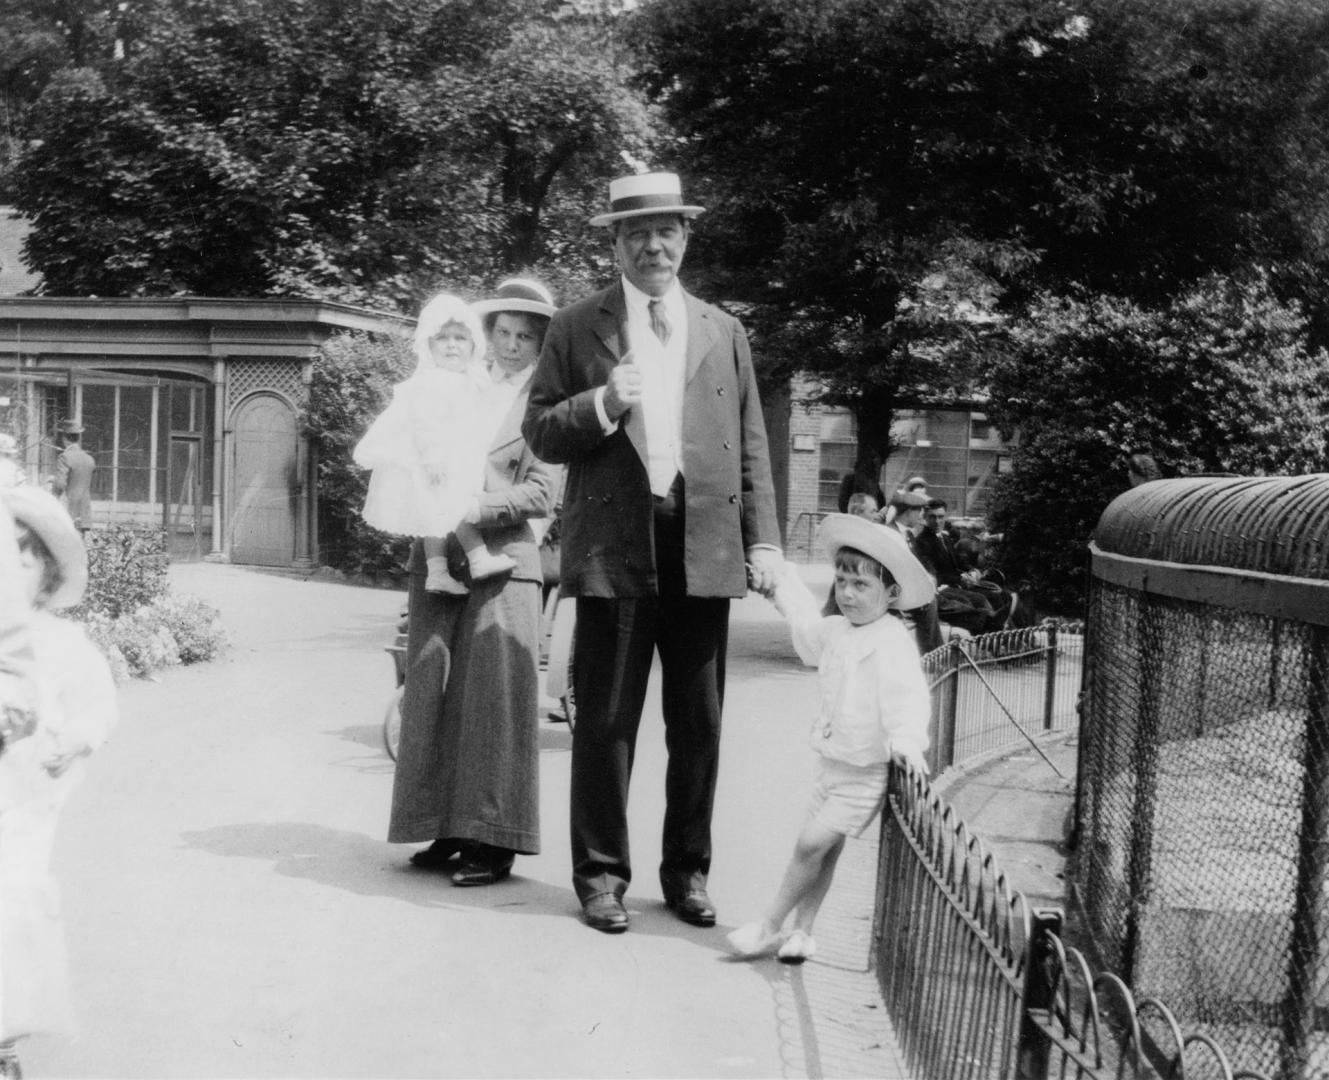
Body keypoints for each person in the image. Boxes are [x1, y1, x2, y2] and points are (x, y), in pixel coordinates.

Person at [523, 171, 782, 934]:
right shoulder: (576, 327)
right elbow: (539, 431)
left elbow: (753, 446)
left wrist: (761, 538)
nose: (653, 244)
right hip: (613, 544)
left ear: (685, 237)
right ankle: (600, 877)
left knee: (696, 723)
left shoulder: (721, 329)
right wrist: (604, 402)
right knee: (604, 720)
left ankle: (687, 872)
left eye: (666, 229)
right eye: (636, 232)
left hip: (702, 543)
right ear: (614, 242)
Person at [387, 280, 559, 887]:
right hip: (439, 552)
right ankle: (444, 823)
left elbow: (541, 491)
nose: (511, 347)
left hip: (507, 557)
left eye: (525, 337)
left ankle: (495, 837)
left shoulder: (545, 402)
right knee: (431, 687)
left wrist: (474, 503)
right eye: (504, 334)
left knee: (493, 698)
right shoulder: (458, 385)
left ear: (541, 344)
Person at [726, 514, 932, 962]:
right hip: (832, 762)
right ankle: (804, 931)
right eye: (842, 583)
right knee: (824, 851)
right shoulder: (838, 630)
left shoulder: (892, 640)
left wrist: (906, 741)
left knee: (809, 845)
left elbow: (907, 698)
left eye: (862, 586)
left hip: (865, 770)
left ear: (892, 594)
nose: (848, 594)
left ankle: (768, 926)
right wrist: (782, 585)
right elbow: (805, 627)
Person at [0, 487, 117, 1076]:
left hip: (23, 802)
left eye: (21, 560)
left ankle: (3, 1037)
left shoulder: (58, 643)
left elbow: (96, 702)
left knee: (10, 905)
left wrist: (79, 737)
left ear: (45, 573)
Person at [353, 293, 516, 594]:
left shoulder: (472, 378)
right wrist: (432, 456)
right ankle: (477, 557)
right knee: (453, 508)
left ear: (474, 345)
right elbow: (423, 421)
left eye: (460, 338)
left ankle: (437, 572)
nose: (452, 345)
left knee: (435, 517)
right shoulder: (432, 380)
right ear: (429, 345)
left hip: (459, 457)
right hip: (438, 461)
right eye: (442, 338)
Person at [912, 498, 1016, 634]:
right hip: (944, 588)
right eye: (933, 517)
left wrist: (972, 570)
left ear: (945, 516)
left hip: (958, 584)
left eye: (940, 517)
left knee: (1001, 595)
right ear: (925, 517)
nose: (937, 521)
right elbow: (933, 575)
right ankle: (993, 636)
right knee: (981, 599)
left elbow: (958, 561)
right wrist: (960, 579)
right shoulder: (922, 542)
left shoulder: (944, 538)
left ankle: (1015, 634)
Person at [50, 420, 94, 532]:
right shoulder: (89, 459)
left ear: (64, 438)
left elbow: (59, 485)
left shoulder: (65, 457)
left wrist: (51, 499)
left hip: (68, 510)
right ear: (78, 438)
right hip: (84, 512)